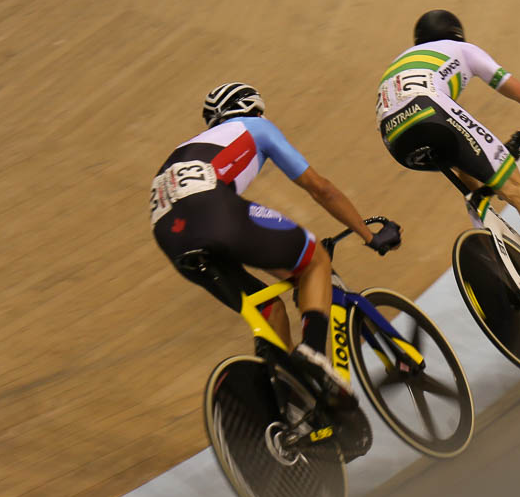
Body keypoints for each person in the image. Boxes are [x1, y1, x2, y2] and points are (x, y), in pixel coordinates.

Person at [151, 81, 402, 410]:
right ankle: (312, 352)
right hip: (212, 210)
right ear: (254, 109)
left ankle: (287, 407)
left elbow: (231, 235)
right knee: (315, 259)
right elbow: (320, 189)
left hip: (171, 234)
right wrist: (369, 236)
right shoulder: (256, 126)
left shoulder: (190, 147)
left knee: (270, 309)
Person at [375, 9, 520, 303]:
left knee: (466, 172)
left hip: (394, 138)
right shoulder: (463, 50)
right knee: (515, 187)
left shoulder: (401, 61)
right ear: (456, 33)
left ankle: (496, 258)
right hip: (431, 114)